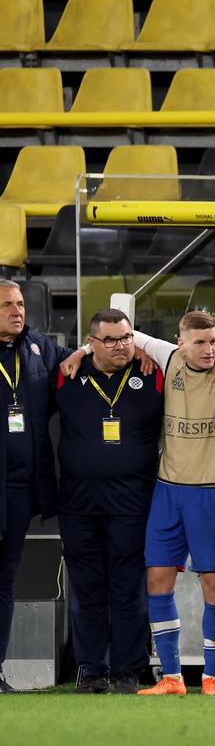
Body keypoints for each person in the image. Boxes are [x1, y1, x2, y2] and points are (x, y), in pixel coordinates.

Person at [124, 311, 215, 696]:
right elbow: (123, 331)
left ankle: (212, 679)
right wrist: (81, 353)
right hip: (168, 491)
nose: (209, 349)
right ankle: (172, 677)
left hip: (212, 492)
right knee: (158, 581)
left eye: (213, 341)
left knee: (213, 584)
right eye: (200, 342)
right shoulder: (167, 357)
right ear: (182, 342)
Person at [52, 309, 162, 693]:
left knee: (129, 588)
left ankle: (129, 669)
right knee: (87, 588)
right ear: (91, 342)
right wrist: (79, 353)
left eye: (127, 337)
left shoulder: (153, 373)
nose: (121, 346)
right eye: (111, 340)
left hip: (134, 502)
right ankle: (92, 669)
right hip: (79, 504)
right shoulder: (66, 374)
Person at [0, 280, 72, 693]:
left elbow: (84, 358)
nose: (17, 310)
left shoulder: (39, 349)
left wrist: (136, 350)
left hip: (20, 490)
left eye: (21, 303)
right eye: (8, 304)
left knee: (5, 578)